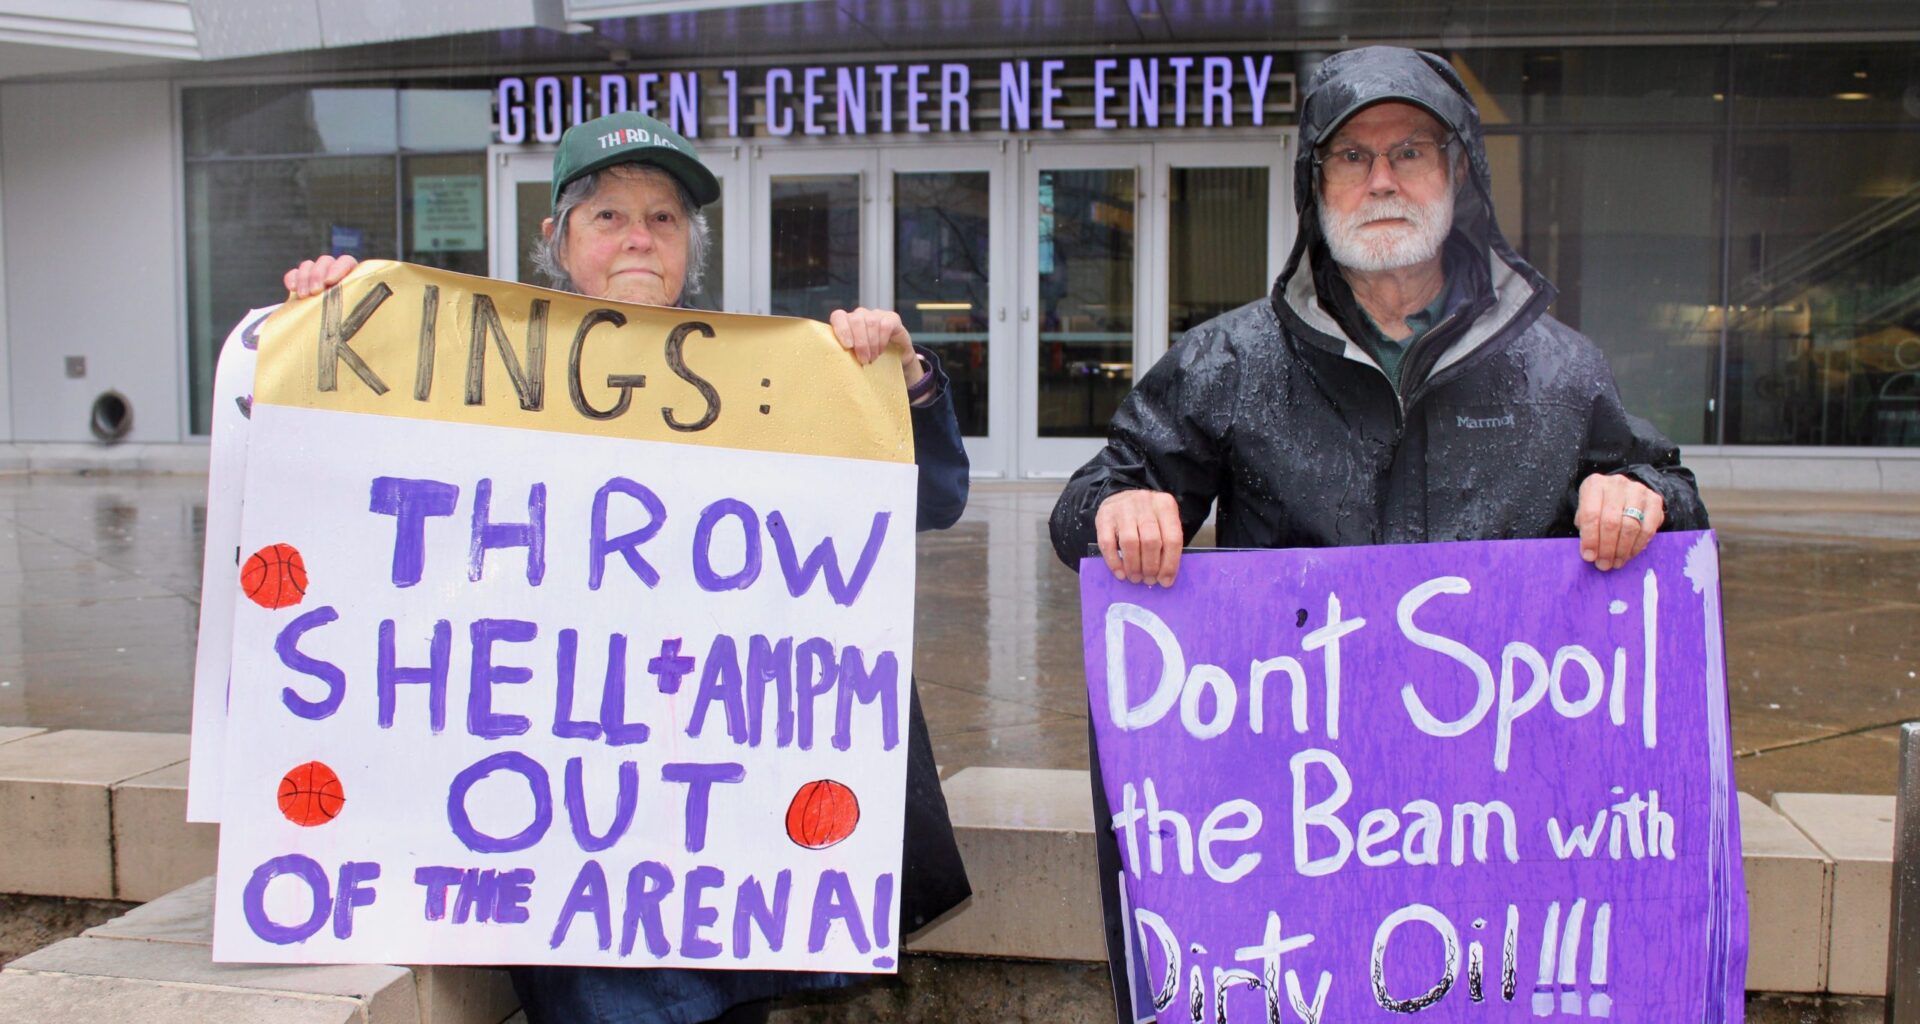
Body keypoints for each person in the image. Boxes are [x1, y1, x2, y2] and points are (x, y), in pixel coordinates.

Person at [1045, 46, 1708, 1021]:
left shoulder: (1559, 370)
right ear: (1314, 185)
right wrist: (1118, 506)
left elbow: (1675, 496)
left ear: (1459, 172)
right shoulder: (1228, 363)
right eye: (1351, 156)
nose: (1382, 180)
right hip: (1297, 825)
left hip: (1498, 829)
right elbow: (1083, 509)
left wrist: (1638, 493)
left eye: (1410, 151)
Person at [285, 110, 971, 1024]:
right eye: (608, 215)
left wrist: (898, 380)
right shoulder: (478, 376)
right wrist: (330, 325)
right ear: (557, 238)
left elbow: (932, 498)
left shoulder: (782, 379)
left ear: (691, 244)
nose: (639, 236)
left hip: (723, 832)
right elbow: (346, 495)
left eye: (663, 217)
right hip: (569, 835)